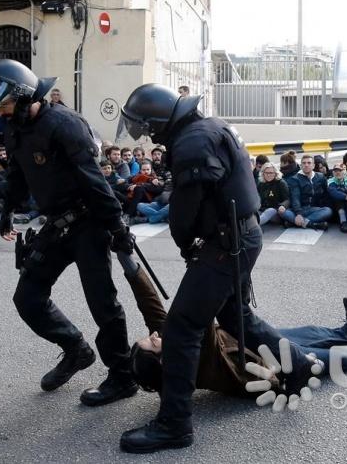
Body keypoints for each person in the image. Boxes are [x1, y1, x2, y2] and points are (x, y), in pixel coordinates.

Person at [117, 83, 318, 453]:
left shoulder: (191, 143)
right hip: (242, 236)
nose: (145, 134)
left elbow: (184, 211)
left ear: (160, 122)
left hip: (225, 245)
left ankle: (174, 425)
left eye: (146, 127)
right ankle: (299, 366)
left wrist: (185, 243)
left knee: (180, 328)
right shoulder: (209, 127)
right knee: (235, 316)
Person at [0, 59, 138, 405]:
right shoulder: (16, 126)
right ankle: (76, 349)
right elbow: (17, 173)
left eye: (4, 105)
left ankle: (123, 377)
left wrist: (116, 227)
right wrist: (7, 210)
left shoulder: (64, 124)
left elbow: (95, 181)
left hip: (89, 224)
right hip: (55, 225)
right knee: (27, 299)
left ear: (25, 96)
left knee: (103, 304)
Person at [131, 295, 347, 398]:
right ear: (161, 362)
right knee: (336, 358)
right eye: (153, 342)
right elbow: (202, 310)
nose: (156, 335)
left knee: (309, 332)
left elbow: (153, 312)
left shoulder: (176, 352)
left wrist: (131, 266)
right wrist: (204, 267)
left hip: (249, 344)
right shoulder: (192, 363)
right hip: (272, 372)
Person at [283, 155, 333, 230]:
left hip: (314, 209)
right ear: (301, 165)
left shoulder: (320, 177)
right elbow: (295, 198)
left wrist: (323, 206)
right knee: (285, 213)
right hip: (299, 209)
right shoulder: (294, 179)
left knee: (328, 211)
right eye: (304, 163)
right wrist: (298, 214)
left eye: (309, 163)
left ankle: (294, 223)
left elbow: (326, 194)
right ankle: (313, 224)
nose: (306, 165)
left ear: (313, 165)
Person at [327, 164, 347, 233]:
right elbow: (333, 193)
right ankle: (343, 221)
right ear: (333, 173)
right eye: (335, 171)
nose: (338, 172)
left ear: (344, 172)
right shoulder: (330, 181)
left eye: (340, 170)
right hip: (335, 209)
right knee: (341, 197)